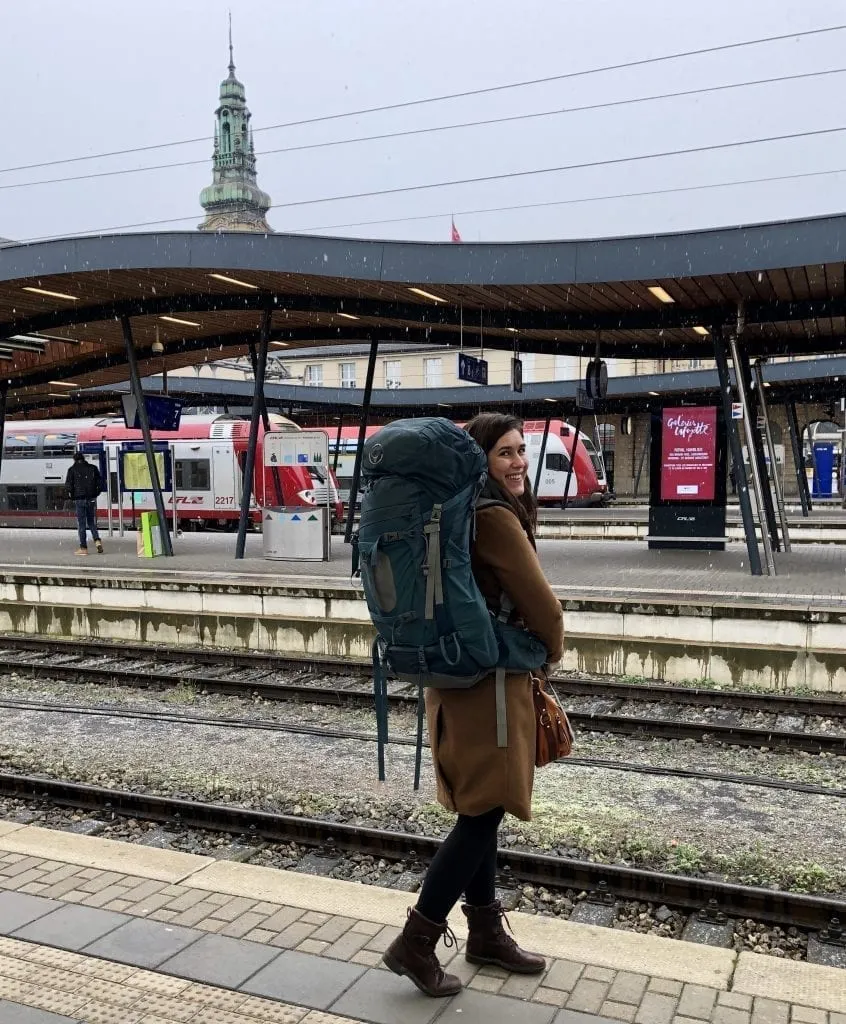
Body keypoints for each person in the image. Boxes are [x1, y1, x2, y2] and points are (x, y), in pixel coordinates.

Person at [383, 412, 565, 997]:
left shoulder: (461, 512)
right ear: (479, 460)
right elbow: (545, 609)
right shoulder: (492, 517)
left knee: (482, 807)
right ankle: (416, 940)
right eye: (506, 452)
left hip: (457, 674)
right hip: (490, 683)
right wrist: (551, 653)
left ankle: (484, 930)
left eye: (521, 452)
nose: (518, 463)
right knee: (483, 815)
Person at [65, 452, 104, 555]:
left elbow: (68, 486)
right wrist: (95, 494)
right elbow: (100, 484)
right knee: (91, 522)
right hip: (90, 499)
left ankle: (83, 548)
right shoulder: (93, 468)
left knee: (81, 524)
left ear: (74, 459)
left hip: (79, 499)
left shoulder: (72, 470)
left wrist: (72, 496)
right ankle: (97, 540)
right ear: (83, 458)